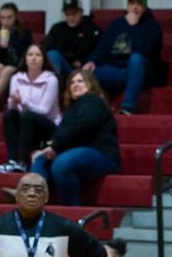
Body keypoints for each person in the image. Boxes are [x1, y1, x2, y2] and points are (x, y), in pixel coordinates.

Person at [31, 68, 120, 207]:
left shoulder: (93, 100)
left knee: (62, 163)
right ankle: (32, 197)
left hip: (101, 154)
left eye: (80, 81)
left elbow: (83, 125)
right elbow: (61, 133)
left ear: (90, 85)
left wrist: (55, 147)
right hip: (78, 152)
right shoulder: (71, 109)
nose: (75, 84)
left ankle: (72, 210)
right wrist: (47, 149)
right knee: (40, 159)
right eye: (72, 82)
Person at [83, 0, 163, 116]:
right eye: (132, 3)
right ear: (127, 5)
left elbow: (147, 51)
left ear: (145, 7)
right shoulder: (117, 24)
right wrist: (92, 61)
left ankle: (127, 108)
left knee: (136, 59)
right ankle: (93, 111)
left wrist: (134, 27)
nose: (135, 7)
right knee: (87, 73)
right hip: (118, 69)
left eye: (139, 4)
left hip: (142, 69)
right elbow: (102, 49)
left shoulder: (153, 26)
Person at [0, 44, 60, 173]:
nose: (33, 58)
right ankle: (12, 160)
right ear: (25, 58)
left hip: (48, 127)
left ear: (43, 59)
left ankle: (22, 162)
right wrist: (13, 101)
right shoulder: (16, 78)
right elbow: (13, 107)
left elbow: (44, 110)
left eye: (37, 55)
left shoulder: (51, 79)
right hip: (25, 124)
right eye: (30, 55)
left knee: (27, 115)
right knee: (8, 114)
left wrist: (23, 102)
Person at [0, 2, 32, 113]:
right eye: (3, 18)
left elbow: (24, 53)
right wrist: (1, 45)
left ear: (16, 17)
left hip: (18, 63)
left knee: (7, 70)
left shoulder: (24, 32)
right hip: (3, 63)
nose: (6, 21)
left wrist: (10, 43)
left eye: (9, 17)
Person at [44, 0, 100, 80]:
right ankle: (52, 88)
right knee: (52, 55)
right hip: (64, 68)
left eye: (74, 14)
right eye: (67, 14)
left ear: (81, 12)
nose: (70, 18)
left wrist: (83, 61)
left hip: (84, 69)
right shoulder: (57, 28)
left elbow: (99, 51)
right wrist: (71, 60)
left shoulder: (91, 29)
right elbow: (46, 47)